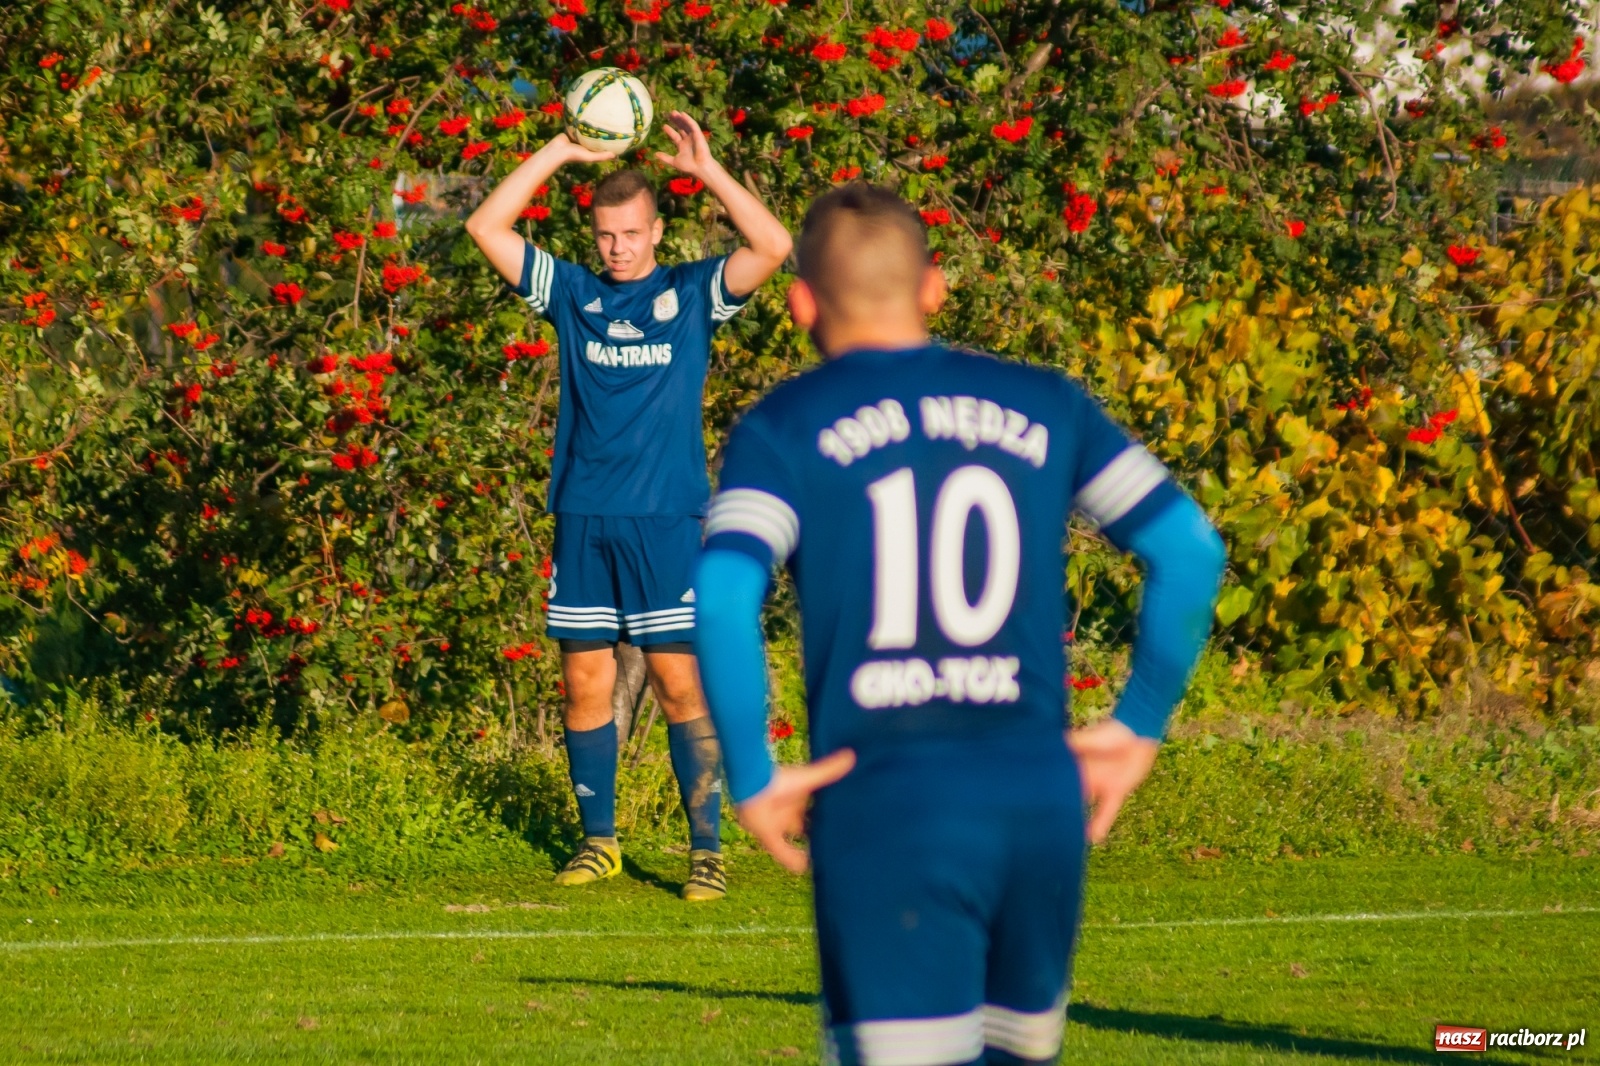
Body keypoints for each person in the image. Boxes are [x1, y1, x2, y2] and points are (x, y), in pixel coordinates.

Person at [692, 185, 1227, 1064]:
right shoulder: (1046, 402)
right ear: (933, 289)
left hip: (887, 803)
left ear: (800, 303)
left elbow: (719, 595)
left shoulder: (783, 427)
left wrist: (752, 773)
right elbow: (1191, 551)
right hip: (1036, 801)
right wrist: (1138, 724)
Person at [465, 113, 792, 902]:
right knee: (584, 685)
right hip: (584, 516)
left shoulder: (690, 293)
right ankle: (599, 842)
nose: (618, 248)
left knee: (681, 687)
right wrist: (563, 150)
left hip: (667, 521)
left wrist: (707, 168)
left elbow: (773, 248)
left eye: (631, 233)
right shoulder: (572, 294)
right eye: (606, 235)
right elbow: (485, 224)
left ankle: (705, 852)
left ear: (656, 231)